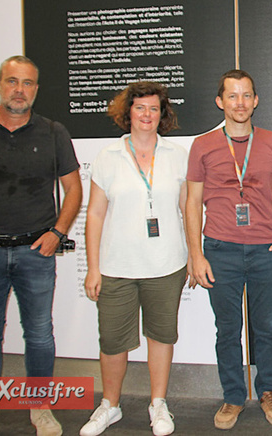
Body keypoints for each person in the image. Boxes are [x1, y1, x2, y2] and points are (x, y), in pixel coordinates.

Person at [0, 55, 82, 436]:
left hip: (34, 253)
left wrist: (56, 233)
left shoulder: (53, 132)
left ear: (36, 90)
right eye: (12, 81)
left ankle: (40, 407)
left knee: (39, 333)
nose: (19, 90)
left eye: (27, 83)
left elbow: (73, 188)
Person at [185, 69, 272, 430]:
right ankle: (233, 397)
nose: (240, 102)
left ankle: (268, 391)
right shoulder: (202, 145)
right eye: (232, 96)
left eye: (246, 95)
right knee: (227, 328)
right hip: (219, 249)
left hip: (265, 250)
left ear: (255, 100)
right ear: (220, 101)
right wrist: (196, 254)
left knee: (266, 327)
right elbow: (191, 203)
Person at [79, 82, 188, 436]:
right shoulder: (108, 157)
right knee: (113, 341)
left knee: (161, 336)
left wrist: (194, 254)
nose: (146, 115)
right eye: (140, 108)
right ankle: (110, 405)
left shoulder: (176, 155)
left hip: (165, 265)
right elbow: (94, 214)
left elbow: (189, 209)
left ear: (163, 114)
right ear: (128, 112)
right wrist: (93, 267)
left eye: (153, 109)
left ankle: (158, 404)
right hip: (116, 267)